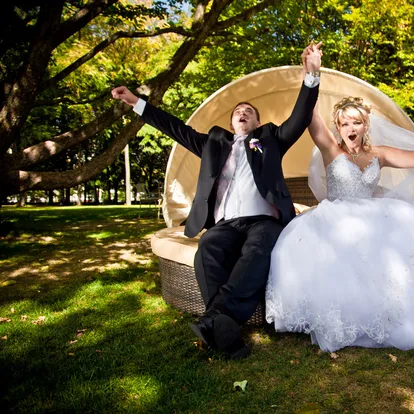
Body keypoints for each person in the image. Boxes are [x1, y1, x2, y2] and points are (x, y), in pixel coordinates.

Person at [111, 42, 322, 359]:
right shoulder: (213, 143)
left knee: (261, 244)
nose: (243, 112)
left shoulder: (271, 139)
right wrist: (136, 103)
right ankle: (224, 330)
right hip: (226, 224)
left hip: (262, 221)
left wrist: (312, 75)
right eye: (239, 111)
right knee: (207, 247)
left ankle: (215, 320)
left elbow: (300, 116)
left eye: (249, 112)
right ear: (231, 122)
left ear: (256, 123)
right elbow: (174, 127)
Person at [265, 96, 414, 352]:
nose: (351, 128)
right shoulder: (330, 149)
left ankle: (406, 311)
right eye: (345, 123)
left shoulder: (378, 154)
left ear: (365, 126)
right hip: (335, 218)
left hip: (373, 213)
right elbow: (311, 116)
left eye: (356, 122)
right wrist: (312, 75)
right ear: (338, 127)